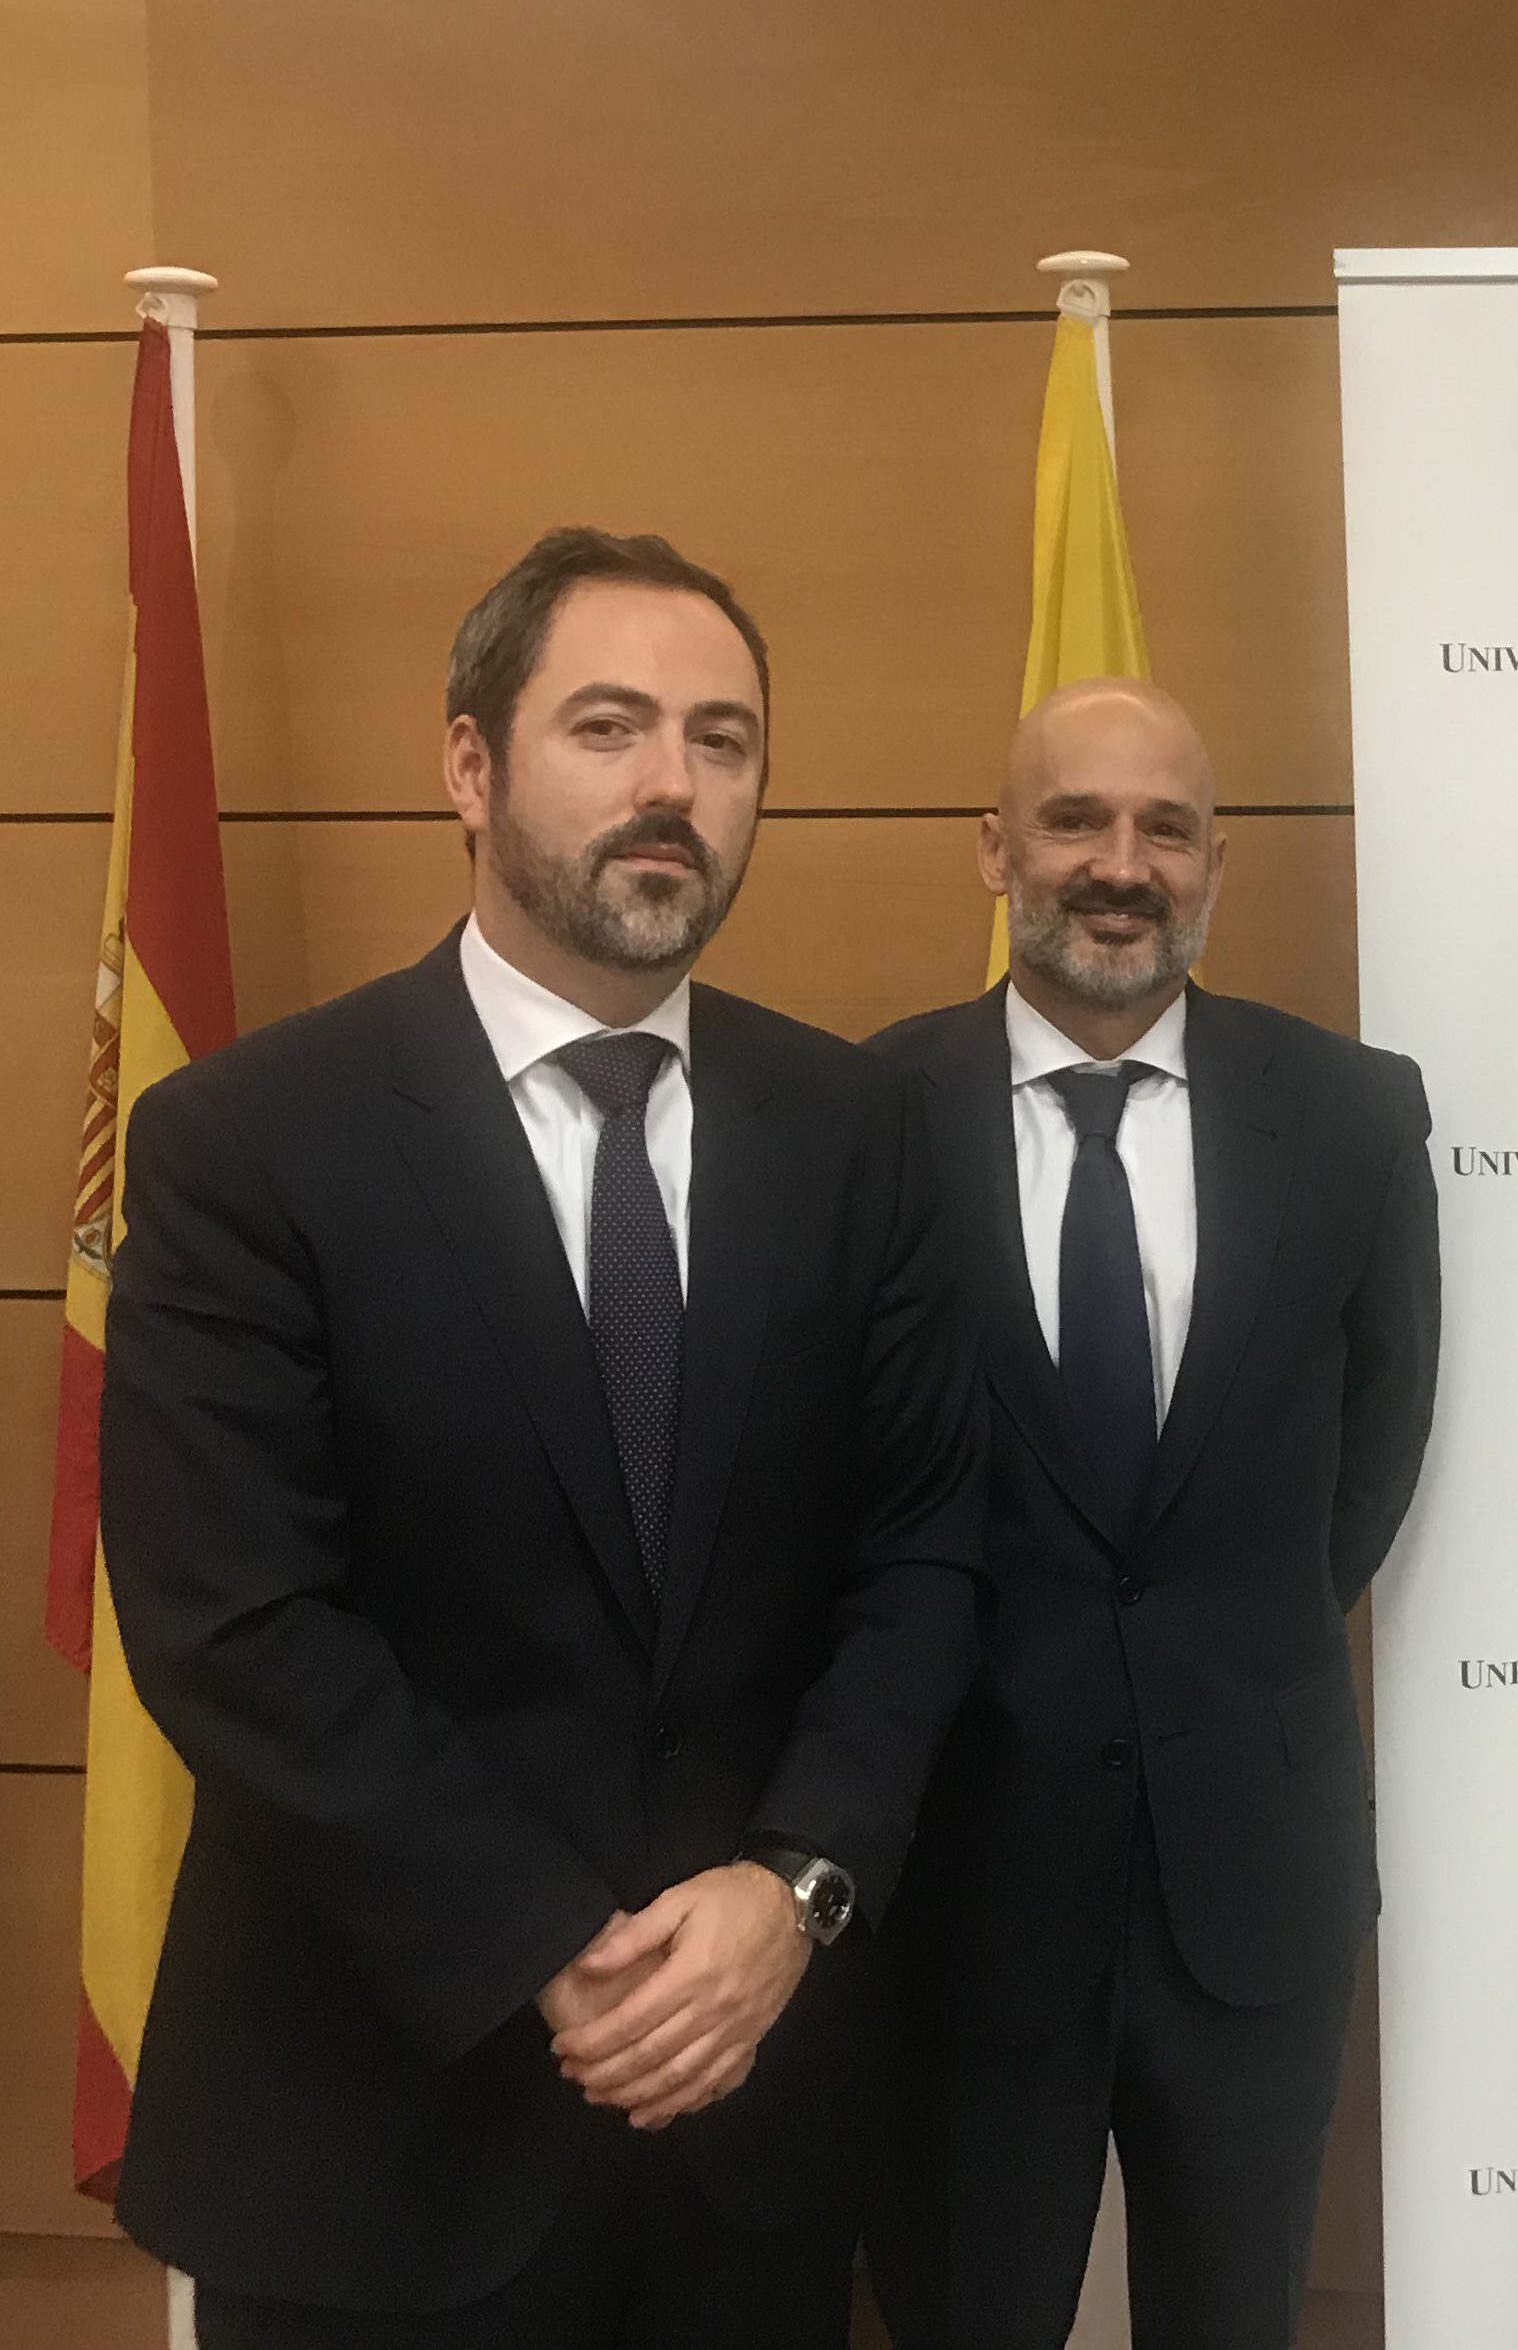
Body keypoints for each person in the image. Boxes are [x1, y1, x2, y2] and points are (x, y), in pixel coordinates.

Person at [98, 527, 984, 2347]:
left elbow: (922, 1562)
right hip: (371, 2137)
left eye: (723, 740)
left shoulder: (860, 1133)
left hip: (751, 2130)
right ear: (470, 765)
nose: (675, 783)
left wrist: (795, 1890)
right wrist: (542, 1946)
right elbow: (232, 1621)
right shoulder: (252, 1141)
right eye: (609, 726)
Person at [864, 680, 1439, 2350]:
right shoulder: (865, 1119)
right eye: (1075, 820)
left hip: (1250, 1882)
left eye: (1166, 828)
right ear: (995, 850)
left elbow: (1375, 1450)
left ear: (1214, 867)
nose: (1122, 864)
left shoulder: (1351, 1115)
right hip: (965, 1884)